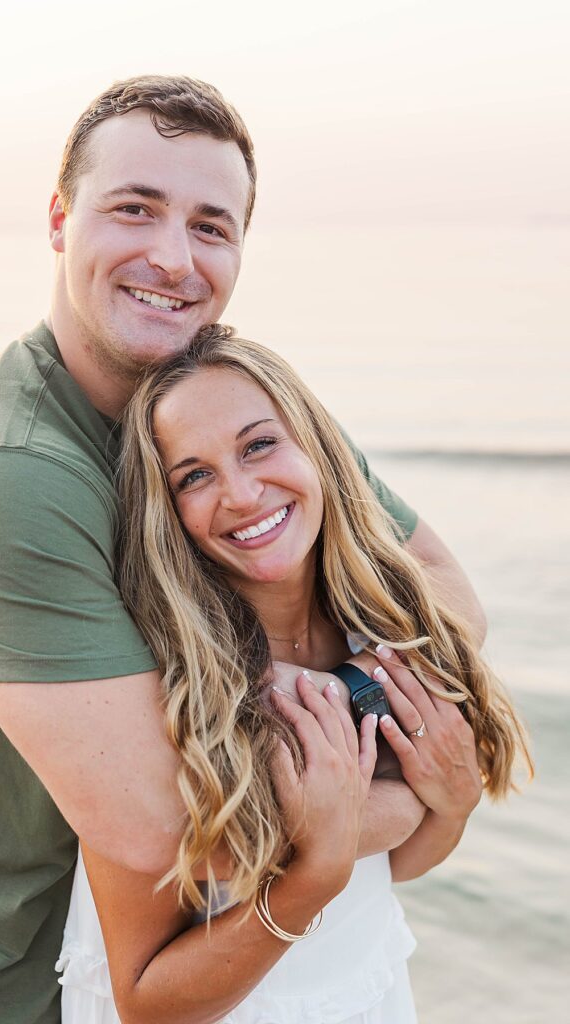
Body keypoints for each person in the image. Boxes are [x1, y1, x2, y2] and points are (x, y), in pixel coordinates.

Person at [0, 76, 489, 1023]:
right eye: (135, 209)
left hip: (244, 952)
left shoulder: (224, 401)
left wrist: (329, 701)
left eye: (211, 226)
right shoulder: (4, 477)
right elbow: (169, 830)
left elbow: (447, 600)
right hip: (22, 985)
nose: (173, 258)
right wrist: (424, 792)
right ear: (59, 220)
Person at [55, 326, 532, 1024]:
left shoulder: (380, 634)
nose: (242, 493)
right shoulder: (157, 691)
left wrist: (450, 805)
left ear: (316, 445)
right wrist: (316, 868)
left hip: (365, 990)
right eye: (194, 476)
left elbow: (396, 867)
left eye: (258, 445)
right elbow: (146, 1003)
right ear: (167, 512)